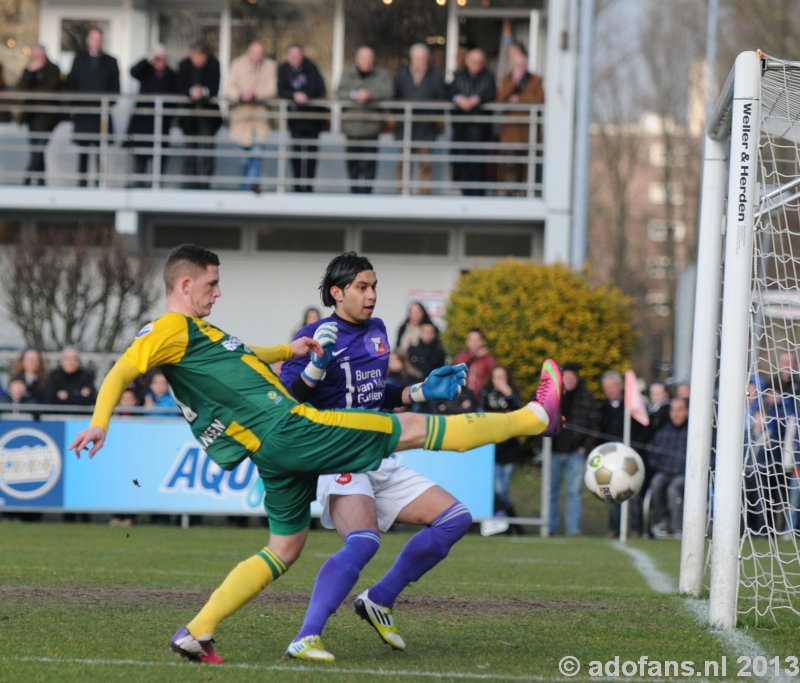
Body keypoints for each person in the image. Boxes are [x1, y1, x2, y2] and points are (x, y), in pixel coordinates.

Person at [68, 243, 563, 664]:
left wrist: (292, 349)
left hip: (270, 452)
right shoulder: (170, 328)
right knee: (411, 430)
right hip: (288, 428)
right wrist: (99, 420)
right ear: (184, 284)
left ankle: (196, 630)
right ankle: (534, 418)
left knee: (284, 548)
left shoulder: (203, 333)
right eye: (212, 283)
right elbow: (121, 370)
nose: (218, 292)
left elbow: (245, 355)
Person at [279, 252, 475, 661]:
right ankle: (307, 635)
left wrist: (420, 392)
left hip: (377, 451)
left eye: (374, 287)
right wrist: (315, 368)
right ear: (338, 293)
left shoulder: (379, 331)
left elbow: (378, 394)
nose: (371, 295)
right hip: (338, 455)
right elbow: (288, 402)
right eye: (362, 287)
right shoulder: (312, 334)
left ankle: (379, 599)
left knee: (456, 519)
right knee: (364, 541)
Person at [549, 362, 599, 536]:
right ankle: (549, 527)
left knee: (574, 492)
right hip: (553, 452)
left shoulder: (586, 396)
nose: (569, 380)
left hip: (575, 453)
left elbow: (594, 425)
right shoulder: (551, 395)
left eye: (572, 376)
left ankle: (573, 529)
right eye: (566, 376)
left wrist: (584, 448)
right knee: (551, 491)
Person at [67, 27, 120, 187]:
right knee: (83, 151)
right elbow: (72, 84)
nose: (97, 42)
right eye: (94, 39)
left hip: (102, 114)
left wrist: (106, 105)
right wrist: (78, 104)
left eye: (100, 39)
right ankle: (81, 183)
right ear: (88, 40)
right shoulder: (78, 59)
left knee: (100, 151)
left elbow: (115, 89)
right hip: (83, 114)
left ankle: (99, 183)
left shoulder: (111, 61)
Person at [337, 46, 394, 193]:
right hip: (352, 126)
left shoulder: (382, 74)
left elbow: (388, 92)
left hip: (372, 126)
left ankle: (367, 193)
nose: (366, 61)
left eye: (369, 58)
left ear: (373, 60)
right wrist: (354, 95)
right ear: (357, 59)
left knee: (369, 163)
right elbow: (339, 92)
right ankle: (354, 192)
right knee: (352, 163)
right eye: (363, 58)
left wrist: (370, 95)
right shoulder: (347, 73)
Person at [599, 370, 648, 538]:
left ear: (620, 386)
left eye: (613, 386)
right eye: (607, 387)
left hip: (632, 457)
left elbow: (643, 429)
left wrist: (634, 450)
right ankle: (614, 528)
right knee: (612, 492)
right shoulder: (603, 409)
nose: (611, 390)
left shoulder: (631, 406)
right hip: (612, 459)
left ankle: (636, 529)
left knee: (633, 493)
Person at [224, 41, 277, 191]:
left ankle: (252, 188)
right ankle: (245, 188)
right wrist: (241, 95)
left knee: (257, 153)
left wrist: (256, 94)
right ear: (249, 52)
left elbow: (272, 89)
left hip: (260, 118)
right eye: (255, 53)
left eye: (261, 54)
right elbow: (228, 88)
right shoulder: (237, 64)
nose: (258, 56)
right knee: (244, 158)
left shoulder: (271, 66)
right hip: (241, 118)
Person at [393, 44, 445, 195]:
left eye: (423, 58)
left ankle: (425, 196)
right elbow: (394, 98)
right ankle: (401, 194)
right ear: (411, 59)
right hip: (405, 128)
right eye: (417, 58)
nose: (420, 61)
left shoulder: (436, 75)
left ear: (428, 59)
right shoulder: (401, 75)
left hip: (426, 129)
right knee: (403, 164)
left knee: (425, 165)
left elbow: (441, 99)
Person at [126, 45, 180, 187]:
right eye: (157, 58)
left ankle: (157, 184)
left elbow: (176, 97)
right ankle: (138, 183)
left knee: (159, 154)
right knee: (140, 153)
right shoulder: (146, 71)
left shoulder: (172, 75)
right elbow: (133, 72)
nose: (159, 61)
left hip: (162, 122)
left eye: (162, 58)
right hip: (143, 121)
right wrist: (148, 57)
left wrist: (168, 114)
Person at [277, 43, 327, 192]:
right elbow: (281, 89)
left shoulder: (311, 67)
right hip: (295, 119)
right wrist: (294, 95)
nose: (295, 58)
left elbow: (317, 88)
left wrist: (305, 95)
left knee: (311, 153)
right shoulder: (283, 69)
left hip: (312, 118)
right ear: (288, 56)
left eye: (298, 55)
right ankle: (297, 185)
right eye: (292, 56)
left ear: (302, 55)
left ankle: (309, 186)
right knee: (296, 152)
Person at [478, 365, 525, 517]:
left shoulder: (513, 393)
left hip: (510, 445)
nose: (498, 380)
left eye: (502, 377)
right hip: (492, 446)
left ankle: (506, 519)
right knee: (498, 487)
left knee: (504, 486)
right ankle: (510, 518)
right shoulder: (485, 392)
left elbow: (519, 410)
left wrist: (507, 392)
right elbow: (481, 413)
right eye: (495, 377)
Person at [448, 49, 496, 196]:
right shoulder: (458, 77)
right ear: (467, 62)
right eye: (474, 61)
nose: (477, 65)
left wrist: (476, 99)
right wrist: (458, 99)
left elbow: (491, 93)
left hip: (480, 130)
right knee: (462, 164)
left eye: (480, 62)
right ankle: (465, 194)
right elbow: (449, 92)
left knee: (478, 165)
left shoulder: (489, 77)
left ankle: (478, 196)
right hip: (461, 129)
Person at [496, 49, 543, 195]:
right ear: (512, 66)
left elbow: (540, 99)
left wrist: (519, 100)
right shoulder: (507, 79)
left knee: (529, 166)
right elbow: (501, 97)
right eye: (517, 65)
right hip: (511, 132)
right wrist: (514, 82)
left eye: (523, 64)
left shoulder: (535, 80)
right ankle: (510, 193)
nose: (520, 67)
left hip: (530, 131)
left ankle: (526, 194)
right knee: (510, 164)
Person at [177, 41, 222, 189]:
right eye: (195, 56)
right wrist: (192, 91)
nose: (198, 59)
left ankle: (206, 182)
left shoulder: (214, 65)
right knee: (190, 146)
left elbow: (215, 87)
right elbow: (180, 86)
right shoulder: (183, 65)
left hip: (209, 116)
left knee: (208, 147)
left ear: (206, 56)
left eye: (201, 56)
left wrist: (204, 92)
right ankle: (190, 181)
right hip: (189, 116)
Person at [18, 45, 62, 186]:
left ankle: (26, 180)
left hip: (47, 119)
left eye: (38, 56)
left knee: (39, 149)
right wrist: (30, 73)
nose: (36, 59)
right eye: (34, 56)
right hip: (31, 118)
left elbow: (50, 90)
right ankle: (41, 182)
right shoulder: (29, 70)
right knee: (36, 151)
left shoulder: (53, 69)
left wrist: (32, 92)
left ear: (44, 56)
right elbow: (21, 89)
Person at [649, 397, 689, 539]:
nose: (676, 414)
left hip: (685, 476)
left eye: (680, 410)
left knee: (674, 489)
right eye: (673, 410)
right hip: (665, 473)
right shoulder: (663, 432)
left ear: (687, 411)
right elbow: (653, 457)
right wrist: (661, 467)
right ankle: (662, 522)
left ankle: (677, 527)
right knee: (656, 482)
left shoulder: (693, 433)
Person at [454, 328, 497, 395]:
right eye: (471, 340)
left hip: (482, 395)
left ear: (483, 341)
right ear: (467, 342)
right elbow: (457, 367)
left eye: (477, 340)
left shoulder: (489, 358)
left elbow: (494, 375)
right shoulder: (462, 356)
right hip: (464, 396)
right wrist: (474, 355)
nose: (474, 342)